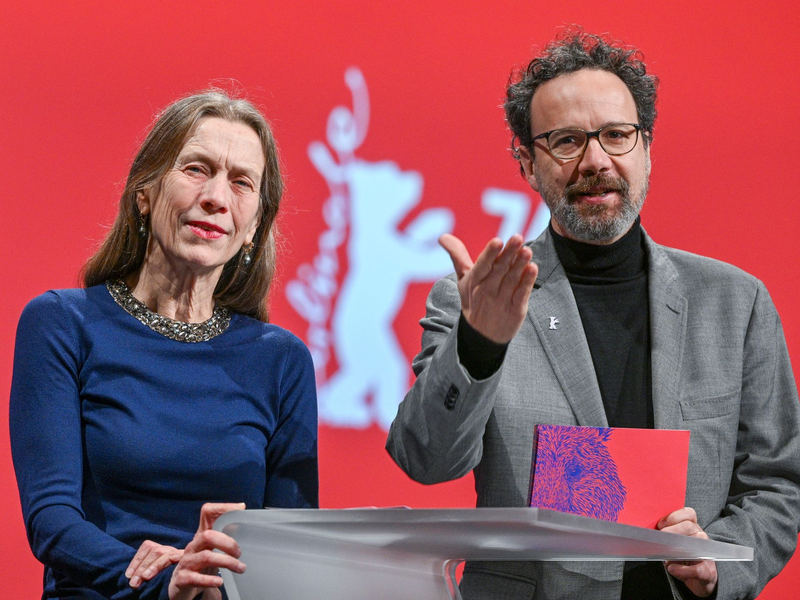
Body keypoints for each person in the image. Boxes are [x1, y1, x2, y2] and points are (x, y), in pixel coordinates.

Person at [386, 30, 800, 600]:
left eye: (616, 135)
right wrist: (479, 344)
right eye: (566, 141)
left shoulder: (736, 303)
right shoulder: (474, 302)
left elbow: (775, 486)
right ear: (528, 164)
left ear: (647, 148)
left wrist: (718, 563)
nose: (595, 161)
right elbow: (426, 460)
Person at [9, 90, 319, 600]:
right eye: (196, 169)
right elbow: (52, 520)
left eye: (242, 183)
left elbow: (291, 547)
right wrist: (161, 579)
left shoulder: (281, 360)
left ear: (253, 228)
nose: (217, 197)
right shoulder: (62, 323)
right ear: (144, 192)